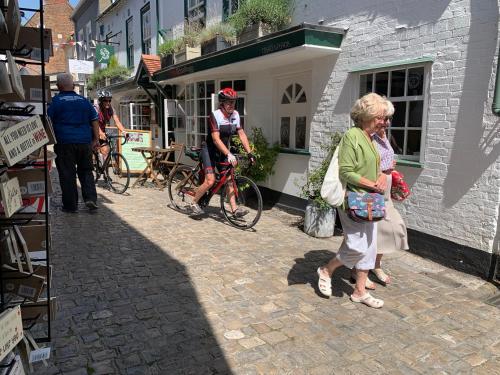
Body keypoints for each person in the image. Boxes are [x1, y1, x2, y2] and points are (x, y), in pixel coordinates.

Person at [316, 93, 388, 308]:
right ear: (367, 115)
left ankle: (359, 291)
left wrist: (382, 176)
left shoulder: (371, 138)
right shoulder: (352, 136)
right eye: (380, 117)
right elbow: (346, 171)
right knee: (357, 247)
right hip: (354, 200)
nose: (383, 122)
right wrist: (371, 184)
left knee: (370, 247)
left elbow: (379, 165)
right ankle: (326, 270)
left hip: (370, 200)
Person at [189, 88, 255, 216]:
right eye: (228, 102)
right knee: (210, 181)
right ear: (222, 103)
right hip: (209, 150)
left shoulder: (235, 115)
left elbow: (242, 134)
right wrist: (229, 154)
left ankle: (234, 210)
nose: (231, 105)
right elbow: (215, 139)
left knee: (230, 179)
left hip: (223, 151)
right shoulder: (215, 115)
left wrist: (249, 153)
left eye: (233, 102)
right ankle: (194, 202)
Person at [370, 99, 409, 285]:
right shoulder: (365, 137)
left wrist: (390, 166)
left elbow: (386, 159)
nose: (386, 122)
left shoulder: (383, 137)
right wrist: (387, 166)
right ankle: (358, 268)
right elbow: (367, 165)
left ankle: (375, 265)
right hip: (373, 188)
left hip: (384, 189)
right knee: (370, 228)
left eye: (388, 118)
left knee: (390, 226)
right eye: (383, 118)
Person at [48, 73, 100, 212]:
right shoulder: (84, 101)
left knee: (67, 174)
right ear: (73, 85)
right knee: (86, 171)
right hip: (84, 142)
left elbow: (47, 122)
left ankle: (71, 206)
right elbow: (94, 120)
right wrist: (96, 139)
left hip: (64, 142)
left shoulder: (55, 102)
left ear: (58, 86)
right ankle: (90, 199)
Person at [95, 90, 127, 161]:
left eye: (109, 100)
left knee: (105, 150)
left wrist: (124, 131)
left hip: (102, 130)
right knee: (92, 149)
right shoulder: (96, 108)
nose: (108, 103)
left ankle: (104, 169)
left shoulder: (111, 109)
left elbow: (117, 122)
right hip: (92, 130)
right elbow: (95, 123)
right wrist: (100, 133)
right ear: (101, 101)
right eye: (105, 101)